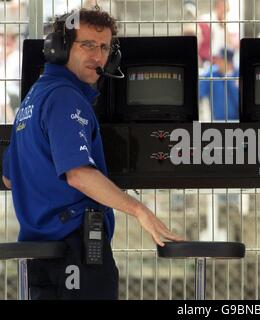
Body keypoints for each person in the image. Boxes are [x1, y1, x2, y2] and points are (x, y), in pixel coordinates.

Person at [1, 8, 182, 300]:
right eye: (87, 45)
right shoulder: (65, 98)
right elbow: (79, 174)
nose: (97, 56)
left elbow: (9, 177)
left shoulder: (33, 98)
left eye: (104, 48)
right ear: (59, 49)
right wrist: (140, 211)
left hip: (41, 254)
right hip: (75, 251)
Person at [199, 48, 239, 121]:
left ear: (229, 61)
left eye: (220, 59)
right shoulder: (210, 74)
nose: (216, 62)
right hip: (219, 121)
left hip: (239, 121)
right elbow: (199, 94)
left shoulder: (240, 74)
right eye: (216, 59)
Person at [198, 0, 239, 67]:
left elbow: (231, 43)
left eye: (226, 8)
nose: (225, 10)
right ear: (217, 7)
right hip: (207, 59)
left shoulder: (227, 22)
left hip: (222, 60)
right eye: (222, 7)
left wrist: (225, 26)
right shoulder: (206, 20)